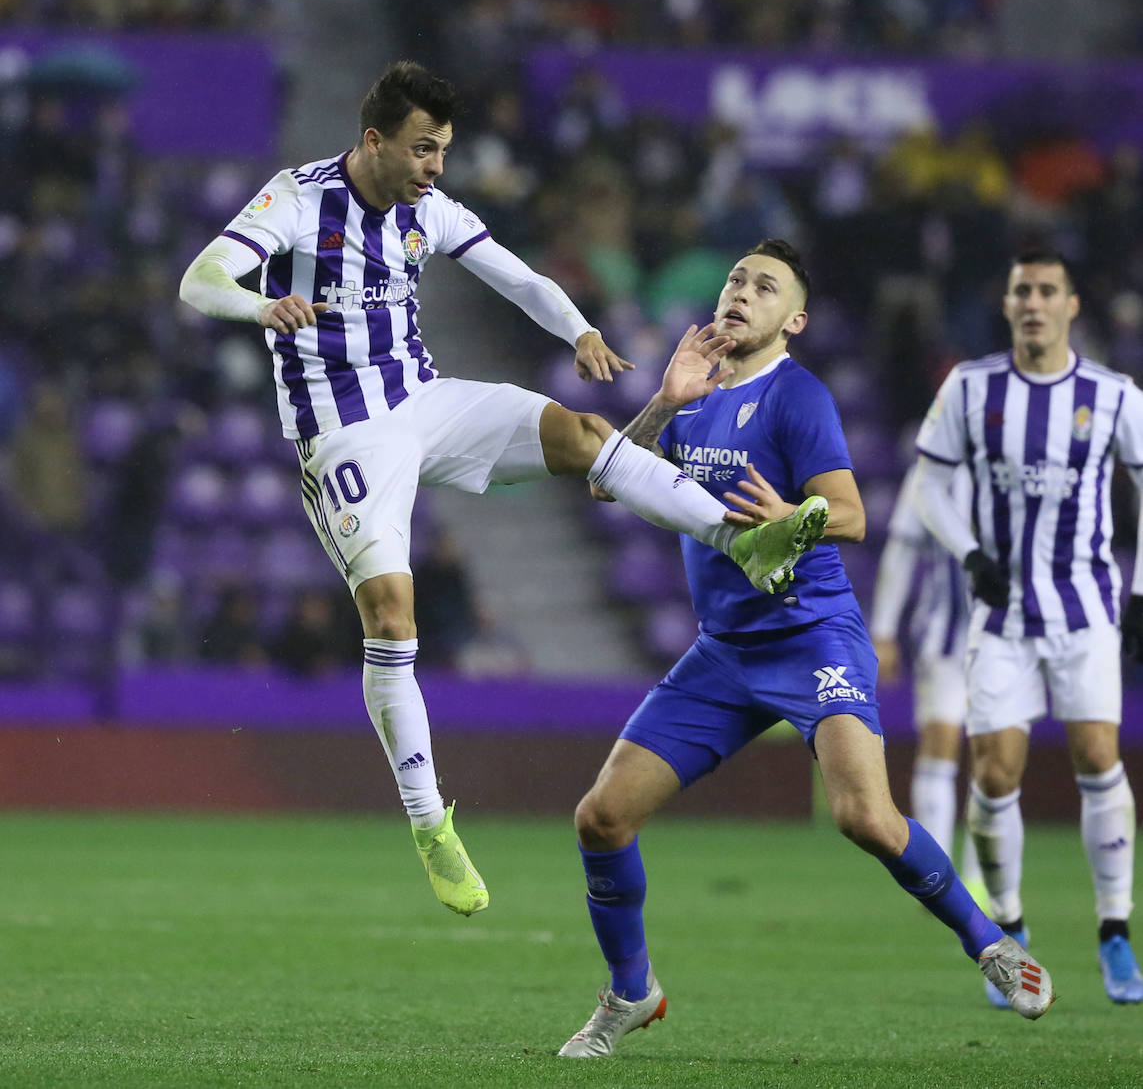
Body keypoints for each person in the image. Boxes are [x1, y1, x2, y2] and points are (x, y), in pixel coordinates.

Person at [178, 61, 826, 919]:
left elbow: (514, 275)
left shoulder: (428, 211)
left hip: (427, 402)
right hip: (345, 431)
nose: (435, 166)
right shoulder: (296, 201)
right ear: (373, 141)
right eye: (421, 149)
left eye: (442, 149)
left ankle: (741, 539)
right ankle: (428, 823)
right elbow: (199, 281)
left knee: (583, 433)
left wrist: (582, 330)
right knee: (391, 613)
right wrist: (259, 309)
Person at [558, 240, 1052, 1058]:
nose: (740, 293)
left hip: (811, 634)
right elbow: (605, 481)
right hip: (726, 651)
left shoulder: (799, 397)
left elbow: (851, 515)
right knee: (602, 818)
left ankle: (990, 946)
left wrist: (793, 516)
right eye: (734, 280)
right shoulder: (691, 398)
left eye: (764, 287)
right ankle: (630, 994)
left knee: (864, 817)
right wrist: (663, 399)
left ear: (794, 319)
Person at [914, 247, 1143, 1006]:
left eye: (1047, 291)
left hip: (1084, 609)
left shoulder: (1112, 396)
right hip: (1002, 613)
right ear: (1006, 304)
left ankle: (1114, 927)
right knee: (993, 773)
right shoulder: (971, 386)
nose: (1033, 303)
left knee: (1096, 754)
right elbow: (930, 488)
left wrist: (1138, 592)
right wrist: (969, 552)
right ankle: (1007, 931)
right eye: (1021, 291)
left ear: (1071, 305)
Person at [870, 460, 986, 903]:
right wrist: (883, 630)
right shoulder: (934, 466)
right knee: (940, 743)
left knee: (991, 755)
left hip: (1006, 639)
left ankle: (981, 879)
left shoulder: (1026, 455)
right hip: (944, 632)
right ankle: (938, 877)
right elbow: (901, 549)